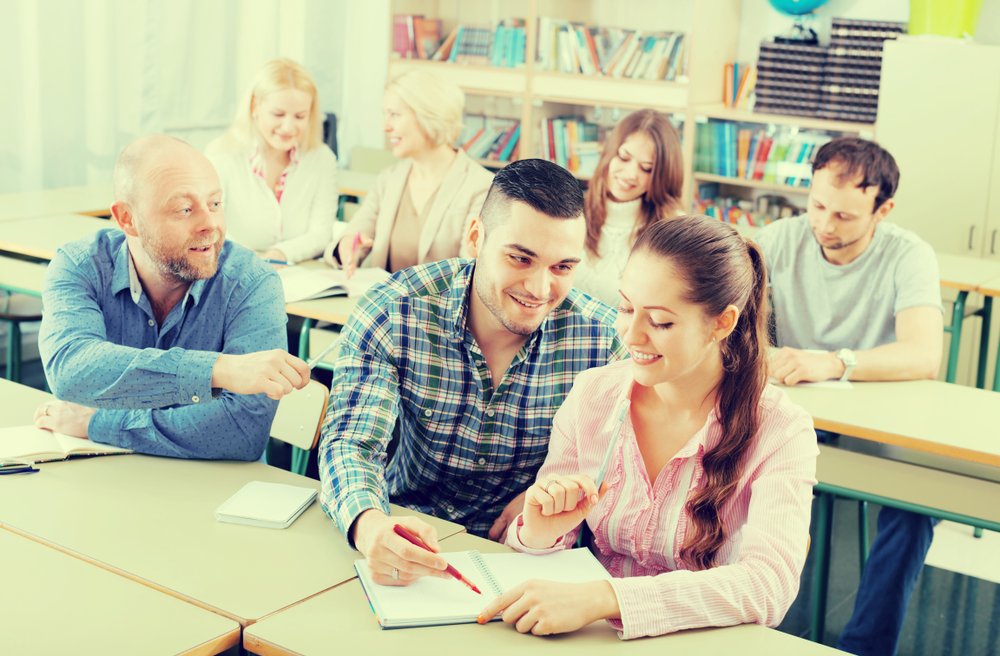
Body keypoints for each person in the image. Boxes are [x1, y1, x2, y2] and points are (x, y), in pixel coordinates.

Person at [479, 215, 818, 639]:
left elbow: (770, 585)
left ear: (721, 323)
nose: (632, 335)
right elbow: (539, 569)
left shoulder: (782, 431)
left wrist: (609, 598)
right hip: (593, 637)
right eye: (625, 308)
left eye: (659, 322)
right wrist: (540, 534)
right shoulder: (594, 395)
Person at [319, 159, 627, 586]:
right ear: (475, 238)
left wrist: (554, 494)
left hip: (526, 559)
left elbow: (616, 464)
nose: (540, 289)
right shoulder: (395, 310)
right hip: (406, 534)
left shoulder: (602, 342)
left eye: (562, 268)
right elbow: (350, 443)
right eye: (521, 258)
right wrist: (370, 524)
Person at [755, 137, 943, 656]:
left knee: (917, 502)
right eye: (816, 206)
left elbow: (924, 355)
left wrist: (837, 361)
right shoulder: (777, 239)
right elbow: (724, 317)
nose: (825, 225)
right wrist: (760, 351)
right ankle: (740, 625)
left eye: (844, 215)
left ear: (883, 210)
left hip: (874, 419)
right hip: (796, 412)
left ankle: (866, 646)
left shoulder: (909, 255)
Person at [35, 135, 311, 460]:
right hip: (103, 478)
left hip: (213, 491)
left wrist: (99, 424)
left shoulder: (253, 281)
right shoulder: (80, 265)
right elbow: (71, 371)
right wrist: (217, 371)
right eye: (184, 209)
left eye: (216, 203)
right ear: (127, 219)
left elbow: (240, 431)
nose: (210, 224)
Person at [323, 68, 494, 277]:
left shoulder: (481, 187)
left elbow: (470, 274)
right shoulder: (389, 179)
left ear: (428, 116)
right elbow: (356, 231)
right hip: (385, 307)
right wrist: (348, 246)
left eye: (394, 115)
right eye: (385, 115)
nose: (385, 127)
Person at [206, 58, 338, 264]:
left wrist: (279, 255)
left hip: (298, 273)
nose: (288, 127)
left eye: (300, 116)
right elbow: (211, 226)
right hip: (233, 269)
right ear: (254, 107)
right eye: (278, 114)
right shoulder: (222, 154)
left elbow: (321, 234)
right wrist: (251, 262)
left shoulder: (323, 159)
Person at [572, 109, 684, 305]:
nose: (631, 174)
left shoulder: (672, 232)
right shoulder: (571, 212)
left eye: (646, 168)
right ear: (609, 153)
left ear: (662, 175)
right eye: (624, 157)